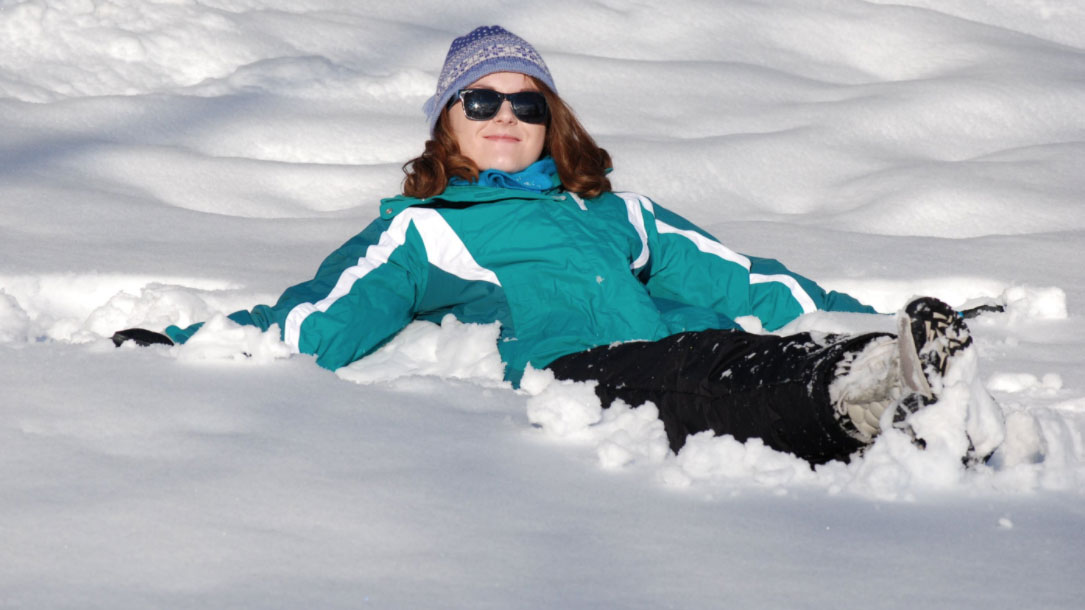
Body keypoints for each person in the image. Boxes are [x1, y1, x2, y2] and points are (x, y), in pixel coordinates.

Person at [114, 25, 992, 465]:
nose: (506, 117)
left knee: (722, 350)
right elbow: (320, 320)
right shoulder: (426, 227)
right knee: (702, 375)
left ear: (551, 120)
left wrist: (846, 316)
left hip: (686, 343)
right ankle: (863, 396)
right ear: (446, 124)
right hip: (578, 368)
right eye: (481, 101)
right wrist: (189, 345)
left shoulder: (613, 211)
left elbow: (740, 276)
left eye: (526, 103)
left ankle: (888, 384)